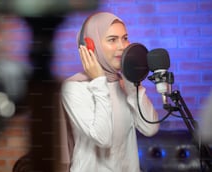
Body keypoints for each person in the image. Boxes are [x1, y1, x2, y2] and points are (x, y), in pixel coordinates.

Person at [60, 12, 160, 172]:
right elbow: (103, 138)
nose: (122, 46)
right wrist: (99, 82)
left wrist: (133, 84)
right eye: (112, 40)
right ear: (91, 46)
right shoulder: (74, 88)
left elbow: (150, 128)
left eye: (125, 38)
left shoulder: (124, 84)